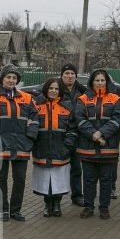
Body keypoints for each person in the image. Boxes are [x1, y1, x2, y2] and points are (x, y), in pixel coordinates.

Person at [0, 64, 38, 222]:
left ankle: (15, 211)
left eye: (14, 77)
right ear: (2, 78)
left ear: (18, 80)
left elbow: (35, 119)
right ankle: (3, 210)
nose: (11, 80)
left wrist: (29, 138)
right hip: (0, 145)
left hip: (21, 146)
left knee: (20, 179)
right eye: (8, 77)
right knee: (1, 179)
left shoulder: (27, 98)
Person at [74, 69, 120, 219]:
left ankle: (104, 207)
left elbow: (116, 120)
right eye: (97, 80)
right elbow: (80, 119)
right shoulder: (83, 99)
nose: (100, 83)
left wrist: (101, 133)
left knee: (106, 180)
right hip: (88, 146)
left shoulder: (115, 99)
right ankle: (89, 206)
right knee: (88, 179)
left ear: (107, 82)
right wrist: (93, 135)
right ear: (91, 82)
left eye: (103, 80)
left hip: (108, 146)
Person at [32, 78, 78, 217]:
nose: (53, 91)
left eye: (56, 89)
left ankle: (57, 205)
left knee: (59, 180)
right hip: (42, 150)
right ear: (46, 89)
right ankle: (47, 204)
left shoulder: (67, 106)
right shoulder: (36, 106)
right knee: (46, 181)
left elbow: (73, 128)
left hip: (61, 150)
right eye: (51, 88)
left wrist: (67, 146)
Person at [57, 63, 88, 207]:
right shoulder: (54, 89)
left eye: (72, 74)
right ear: (62, 75)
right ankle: (55, 198)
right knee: (57, 167)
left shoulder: (83, 91)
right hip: (59, 134)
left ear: (76, 76)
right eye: (67, 73)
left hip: (77, 134)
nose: (70, 76)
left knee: (76, 167)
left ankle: (77, 195)